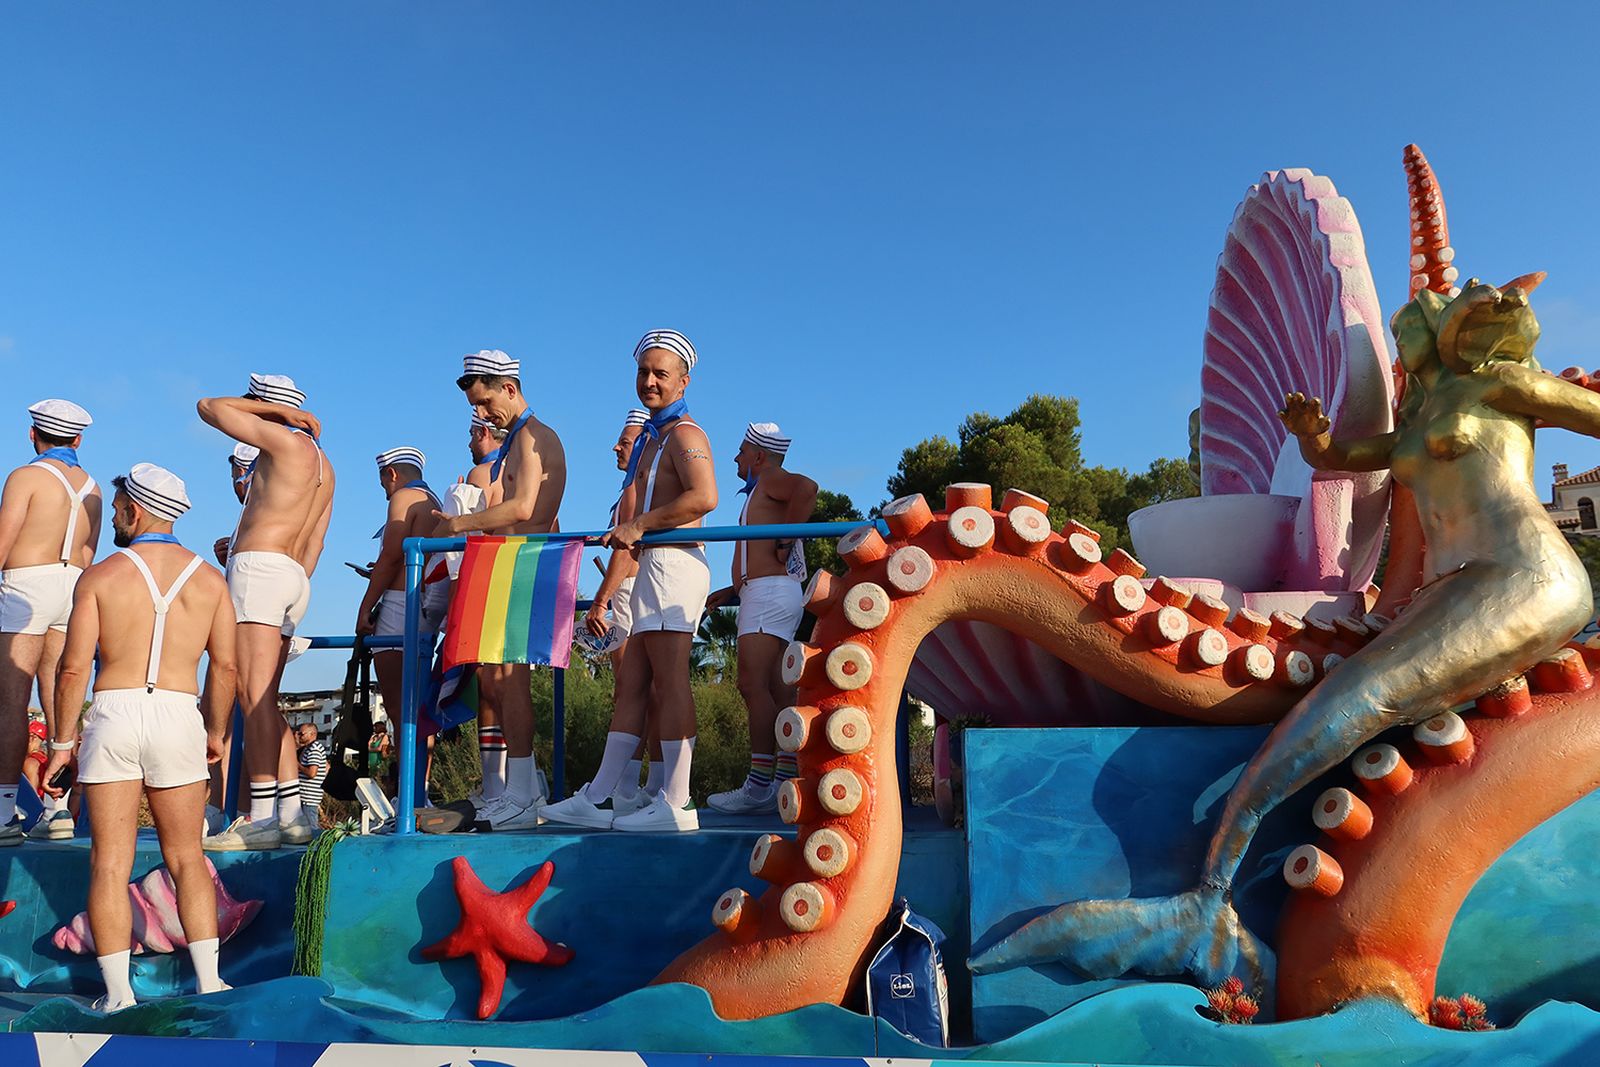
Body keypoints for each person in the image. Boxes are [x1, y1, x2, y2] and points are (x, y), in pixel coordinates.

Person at [971, 274, 1600, 988]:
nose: (1413, 320)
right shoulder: (1420, 423)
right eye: (1407, 319)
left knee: (1358, 705)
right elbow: (1335, 460)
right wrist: (1313, 435)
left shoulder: (1500, 384)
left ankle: (1209, 897)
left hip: (1523, 576)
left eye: (1427, 311)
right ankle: (1206, 901)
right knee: (1327, 711)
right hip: (1454, 589)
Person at [41, 463, 236, 1011]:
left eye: (120, 505)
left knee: (109, 862)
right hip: (179, 712)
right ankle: (208, 981)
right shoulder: (209, 580)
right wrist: (215, 730)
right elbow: (224, 669)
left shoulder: (100, 578)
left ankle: (119, 993)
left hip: (115, 711)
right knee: (187, 857)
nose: (116, 517)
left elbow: (73, 670)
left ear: (133, 509)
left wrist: (61, 743)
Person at [546, 329, 715, 833]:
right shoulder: (656, 439)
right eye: (643, 372)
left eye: (661, 373)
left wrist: (637, 525)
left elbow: (705, 497)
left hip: (672, 565)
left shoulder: (685, 434)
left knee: (669, 680)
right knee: (634, 685)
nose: (649, 381)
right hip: (652, 567)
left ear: (683, 380)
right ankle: (599, 797)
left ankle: (678, 803)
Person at [198, 375, 335, 851]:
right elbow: (316, 540)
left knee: (250, 696)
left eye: (253, 402)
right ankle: (293, 815)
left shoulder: (281, 440)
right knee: (268, 702)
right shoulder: (324, 465)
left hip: (262, 569)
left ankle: (259, 818)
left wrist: (271, 414)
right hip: (294, 576)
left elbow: (208, 406)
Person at [437, 350, 567, 832]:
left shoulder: (533, 437)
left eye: (487, 402)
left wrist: (462, 522)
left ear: (510, 388)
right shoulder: (518, 440)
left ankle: (523, 792)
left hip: (525, 561)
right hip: (512, 562)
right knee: (501, 678)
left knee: (511, 680)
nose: (482, 415)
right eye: (477, 406)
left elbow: (523, 507)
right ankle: (519, 788)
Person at [0, 399, 100, 845]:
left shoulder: (26, 476)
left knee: (11, 701)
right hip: (73, 585)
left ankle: (4, 815)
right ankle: (58, 811)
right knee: (62, 697)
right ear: (78, 439)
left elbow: (4, 538)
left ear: (32, 433)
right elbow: (88, 553)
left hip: (25, 585)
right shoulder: (93, 488)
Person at [706, 423, 817, 814]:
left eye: (741, 451)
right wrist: (734, 589)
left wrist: (787, 539)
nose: (735, 458)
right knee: (775, 687)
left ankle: (758, 785)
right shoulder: (761, 488)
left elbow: (807, 489)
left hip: (769, 593)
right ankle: (784, 778)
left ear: (758, 455)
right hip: (765, 591)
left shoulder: (770, 477)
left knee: (752, 683)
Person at [295, 722, 327, 823]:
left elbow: (312, 773)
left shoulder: (314, 749)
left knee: (310, 829)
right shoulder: (307, 748)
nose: (299, 736)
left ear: (312, 734)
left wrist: (298, 765)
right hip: (305, 797)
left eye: (302, 734)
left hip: (309, 798)